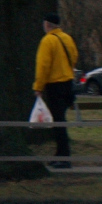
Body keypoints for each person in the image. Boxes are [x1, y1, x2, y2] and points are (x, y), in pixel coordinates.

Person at [33, 12, 78, 168]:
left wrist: (38, 87)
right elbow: (74, 56)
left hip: (54, 85)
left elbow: (43, 66)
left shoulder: (47, 41)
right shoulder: (67, 38)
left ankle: (64, 157)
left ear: (47, 25)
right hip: (68, 83)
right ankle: (60, 154)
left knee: (58, 122)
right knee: (60, 119)